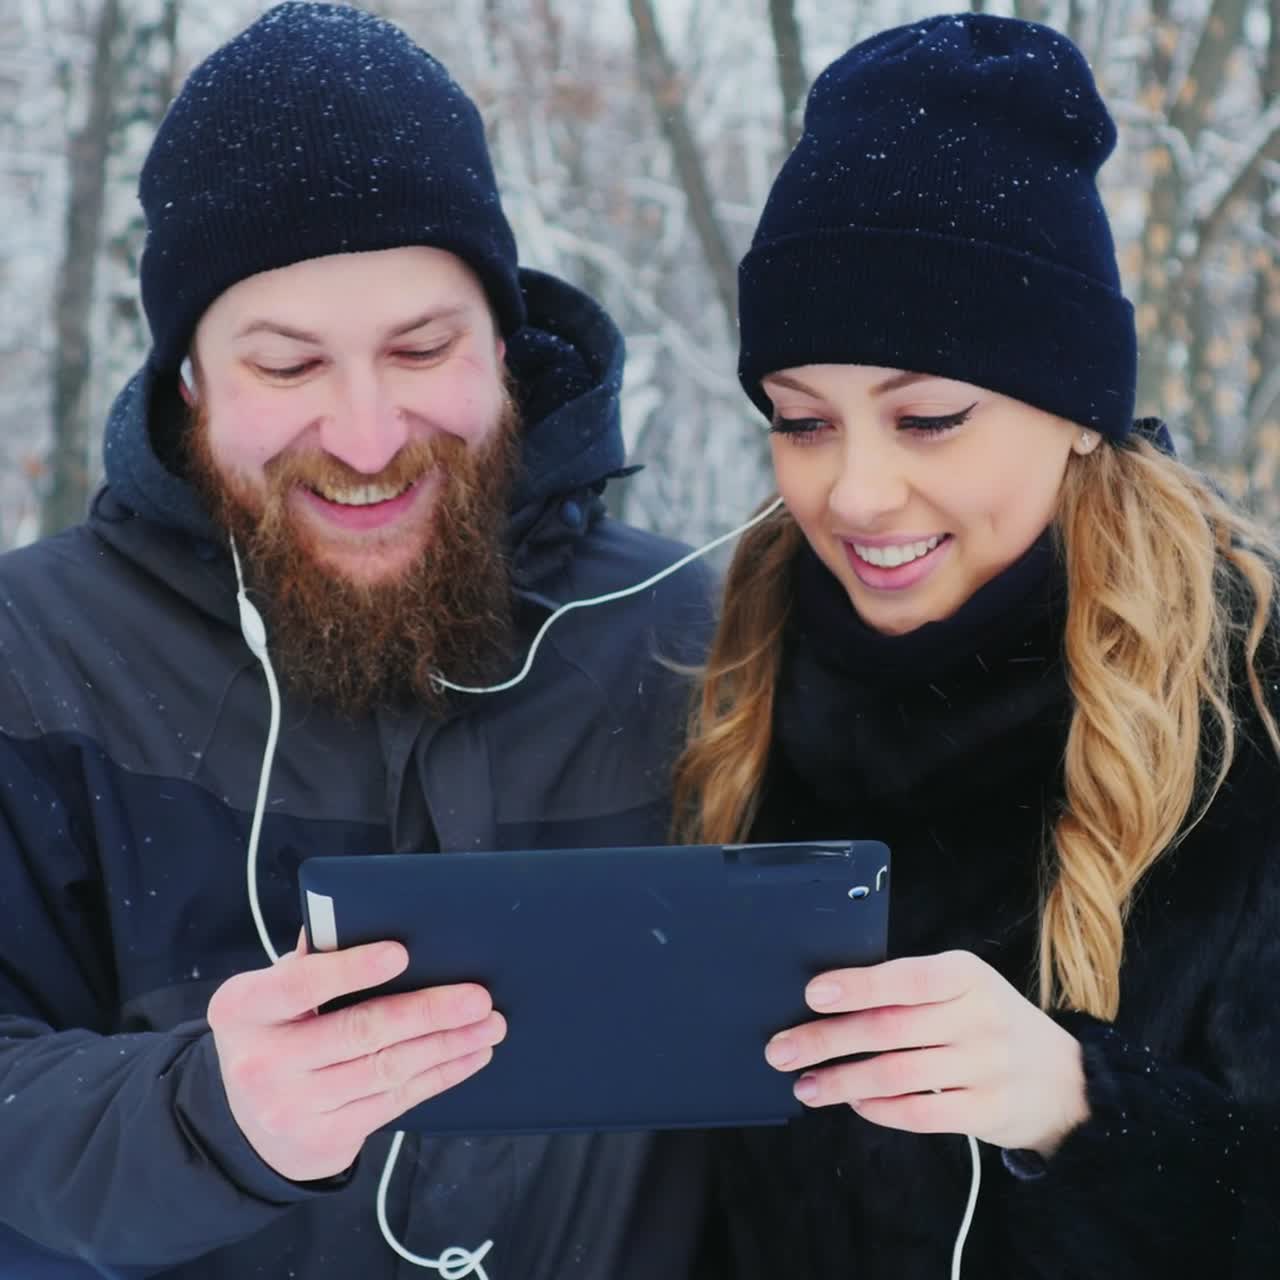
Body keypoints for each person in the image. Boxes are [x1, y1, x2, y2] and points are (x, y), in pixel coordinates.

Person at [0, 4, 718, 1277]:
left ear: (501, 347)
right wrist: (208, 1117)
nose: (369, 433)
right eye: (287, 366)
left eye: (421, 347)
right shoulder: (34, 656)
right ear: (189, 383)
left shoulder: (691, 634)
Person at [673, 13, 1280, 1278]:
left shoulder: (1250, 713)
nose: (854, 493)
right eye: (799, 420)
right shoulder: (734, 673)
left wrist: (1081, 1108)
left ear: (1072, 409)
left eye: (928, 417)